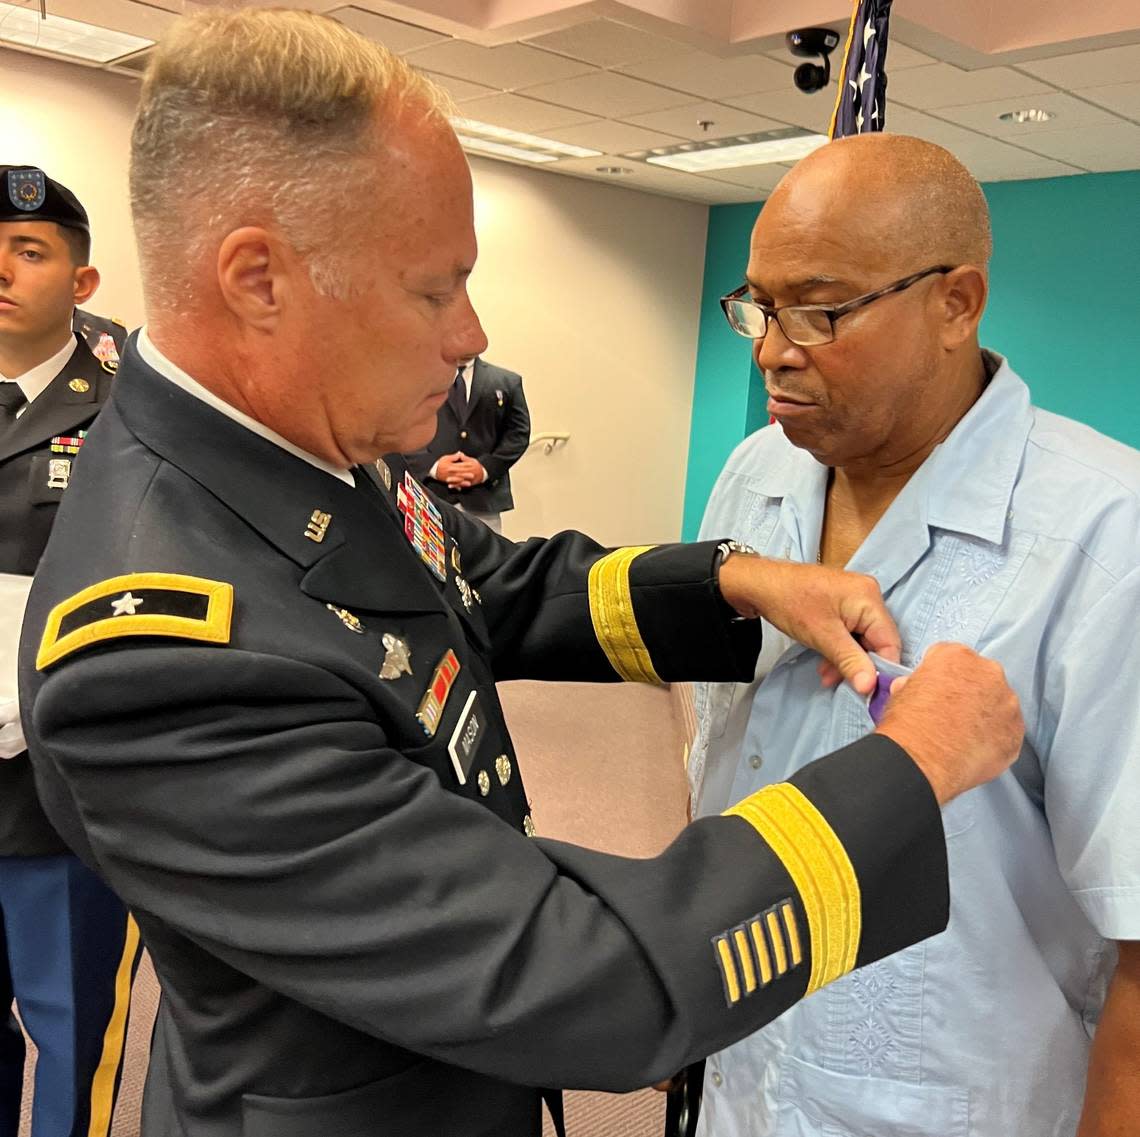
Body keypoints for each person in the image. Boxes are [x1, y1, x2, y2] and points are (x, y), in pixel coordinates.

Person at [17, 13, 1022, 1137]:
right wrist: (911, 766)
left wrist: (739, 586)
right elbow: (586, 983)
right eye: (435, 289)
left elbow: (488, 584)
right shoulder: (158, 655)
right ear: (260, 279)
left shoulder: (296, 448)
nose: (472, 333)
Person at [690, 133, 1140, 1137]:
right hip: (741, 1078)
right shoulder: (755, 476)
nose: (772, 347)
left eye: (822, 309)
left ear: (956, 303)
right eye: (759, 306)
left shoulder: (1109, 537)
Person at [0, 165, 141, 1137]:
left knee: (72, 1031)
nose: (1, 269)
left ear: (82, 284)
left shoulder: (129, 413)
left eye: (29, 250)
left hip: (63, 793)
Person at [404, 353, 530, 533]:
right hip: (428, 495)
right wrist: (433, 467)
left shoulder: (507, 381)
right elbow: (398, 427)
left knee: (489, 559)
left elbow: (518, 434)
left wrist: (485, 468)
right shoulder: (418, 380)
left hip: (483, 500)